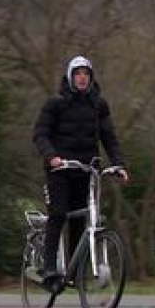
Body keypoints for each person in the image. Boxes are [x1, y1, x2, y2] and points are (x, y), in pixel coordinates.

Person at [32, 55, 129, 293]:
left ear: (91, 77)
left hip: (86, 170)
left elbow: (109, 138)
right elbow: (40, 134)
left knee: (80, 220)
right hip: (60, 170)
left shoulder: (99, 105)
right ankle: (50, 269)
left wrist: (119, 165)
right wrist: (52, 157)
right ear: (70, 77)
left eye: (86, 74)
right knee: (58, 214)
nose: (82, 78)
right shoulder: (55, 104)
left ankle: (76, 273)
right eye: (78, 74)